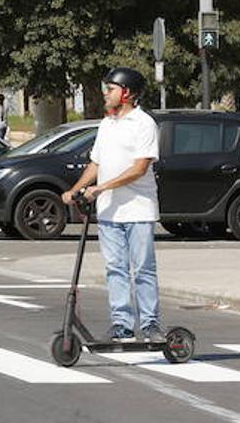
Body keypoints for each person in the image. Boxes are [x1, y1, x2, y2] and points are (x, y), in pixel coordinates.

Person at [61, 67, 161, 342]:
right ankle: (121, 324)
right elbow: (97, 163)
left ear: (126, 93)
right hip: (108, 212)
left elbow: (139, 168)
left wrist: (101, 188)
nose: (105, 94)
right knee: (115, 268)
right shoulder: (106, 125)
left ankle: (150, 324)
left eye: (110, 90)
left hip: (139, 209)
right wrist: (75, 189)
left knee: (142, 268)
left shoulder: (144, 124)